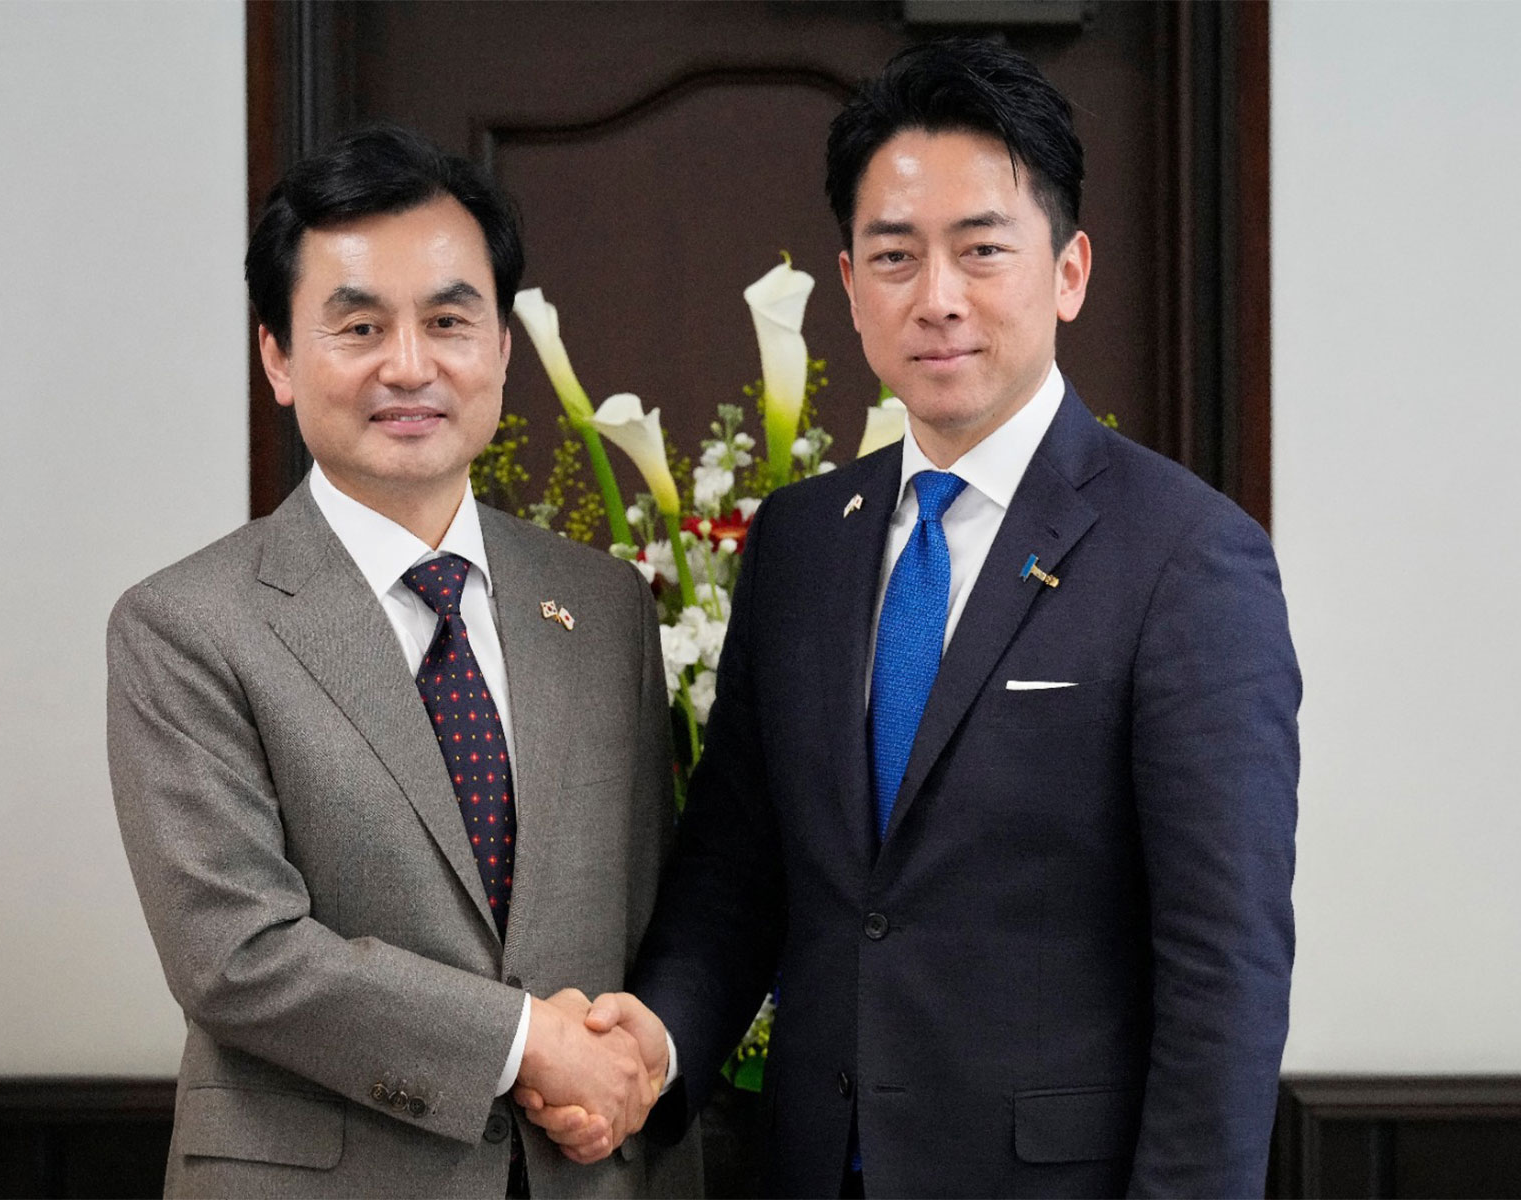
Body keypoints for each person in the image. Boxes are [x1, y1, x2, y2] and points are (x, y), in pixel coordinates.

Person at [521, 38, 1301, 1198]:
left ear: (1069, 270)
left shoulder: (1187, 556)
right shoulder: (798, 542)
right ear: (848, 284)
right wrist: (656, 1045)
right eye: (894, 255)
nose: (936, 297)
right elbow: (739, 864)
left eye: (982, 250)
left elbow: (1222, 967)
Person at [107, 124, 697, 1198]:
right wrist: (524, 1042)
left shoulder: (604, 606)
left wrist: (633, 1055)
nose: (410, 365)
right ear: (277, 358)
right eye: (360, 326)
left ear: (503, 349)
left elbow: (643, 906)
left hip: (586, 1173)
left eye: (448, 320)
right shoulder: (186, 625)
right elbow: (235, 955)